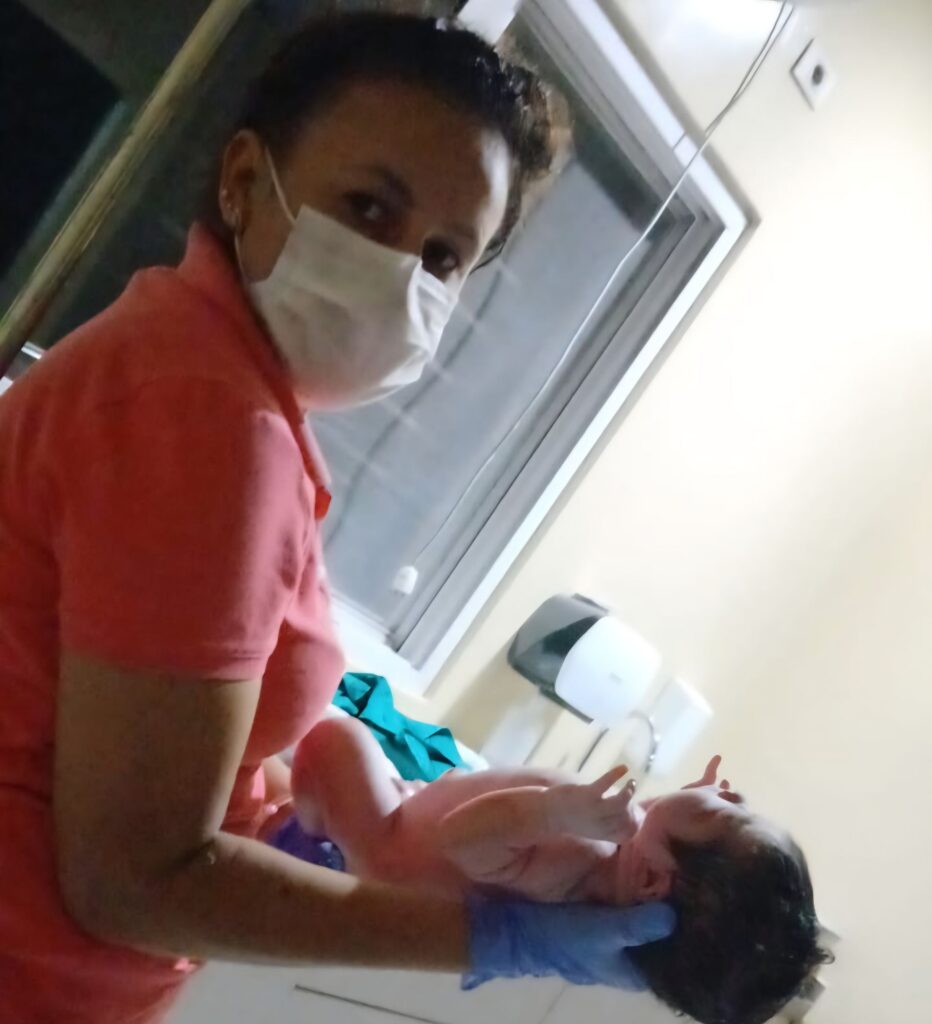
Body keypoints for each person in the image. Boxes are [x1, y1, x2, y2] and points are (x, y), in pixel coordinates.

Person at [0, 13, 676, 1024]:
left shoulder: (207, 377)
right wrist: (491, 940)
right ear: (243, 179)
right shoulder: (205, 418)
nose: (400, 272)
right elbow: (132, 879)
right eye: (368, 207)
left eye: (443, 256)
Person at [282, 724, 829, 1024]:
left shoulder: (580, 852)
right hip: (393, 819)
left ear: (649, 881)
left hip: (380, 848)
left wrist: (548, 811)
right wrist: (692, 806)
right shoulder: (607, 865)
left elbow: (460, 840)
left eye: (725, 814)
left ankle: (299, 814)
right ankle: (295, 812)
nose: (731, 793)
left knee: (337, 739)